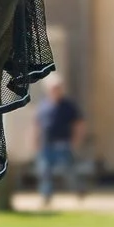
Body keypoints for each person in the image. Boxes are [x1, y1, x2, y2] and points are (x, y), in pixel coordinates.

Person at [36, 78, 84, 206]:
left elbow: (78, 124)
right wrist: (35, 141)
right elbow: (37, 125)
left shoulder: (68, 106)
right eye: (53, 88)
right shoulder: (43, 105)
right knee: (45, 171)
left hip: (63, 144)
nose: (55, 91)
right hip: (47, 144)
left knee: (69, 170)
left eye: (57, 88)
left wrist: (76, 141)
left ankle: (78, 191)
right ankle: (46, 197)